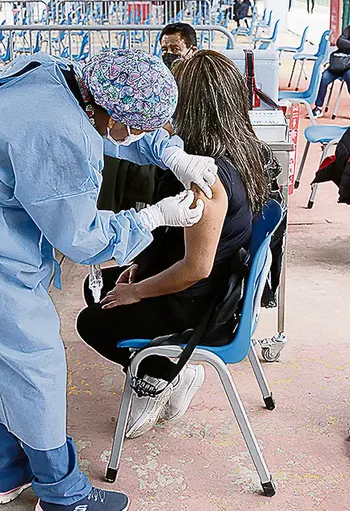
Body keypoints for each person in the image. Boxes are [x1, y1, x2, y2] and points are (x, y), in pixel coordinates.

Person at [0, 49, 223, 511]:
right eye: (138, 126)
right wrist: (154, 216)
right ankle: (62, 493)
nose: (139, 135)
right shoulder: (59, 132)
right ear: (112, 111)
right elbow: (83, 240)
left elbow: (116, 131)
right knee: (36, 365)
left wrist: (171, 153)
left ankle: (4, 471)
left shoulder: (62, 76)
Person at [76, 50, 271, 438]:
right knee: (98, 286)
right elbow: (177, 241)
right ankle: (163, 366)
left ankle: (162, 374)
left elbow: (195, 267)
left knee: (92, 322)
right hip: (209, 283)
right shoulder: (241, 147)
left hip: (199, 300)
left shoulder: (206, 175)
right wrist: (143, 265)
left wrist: (138, 292)